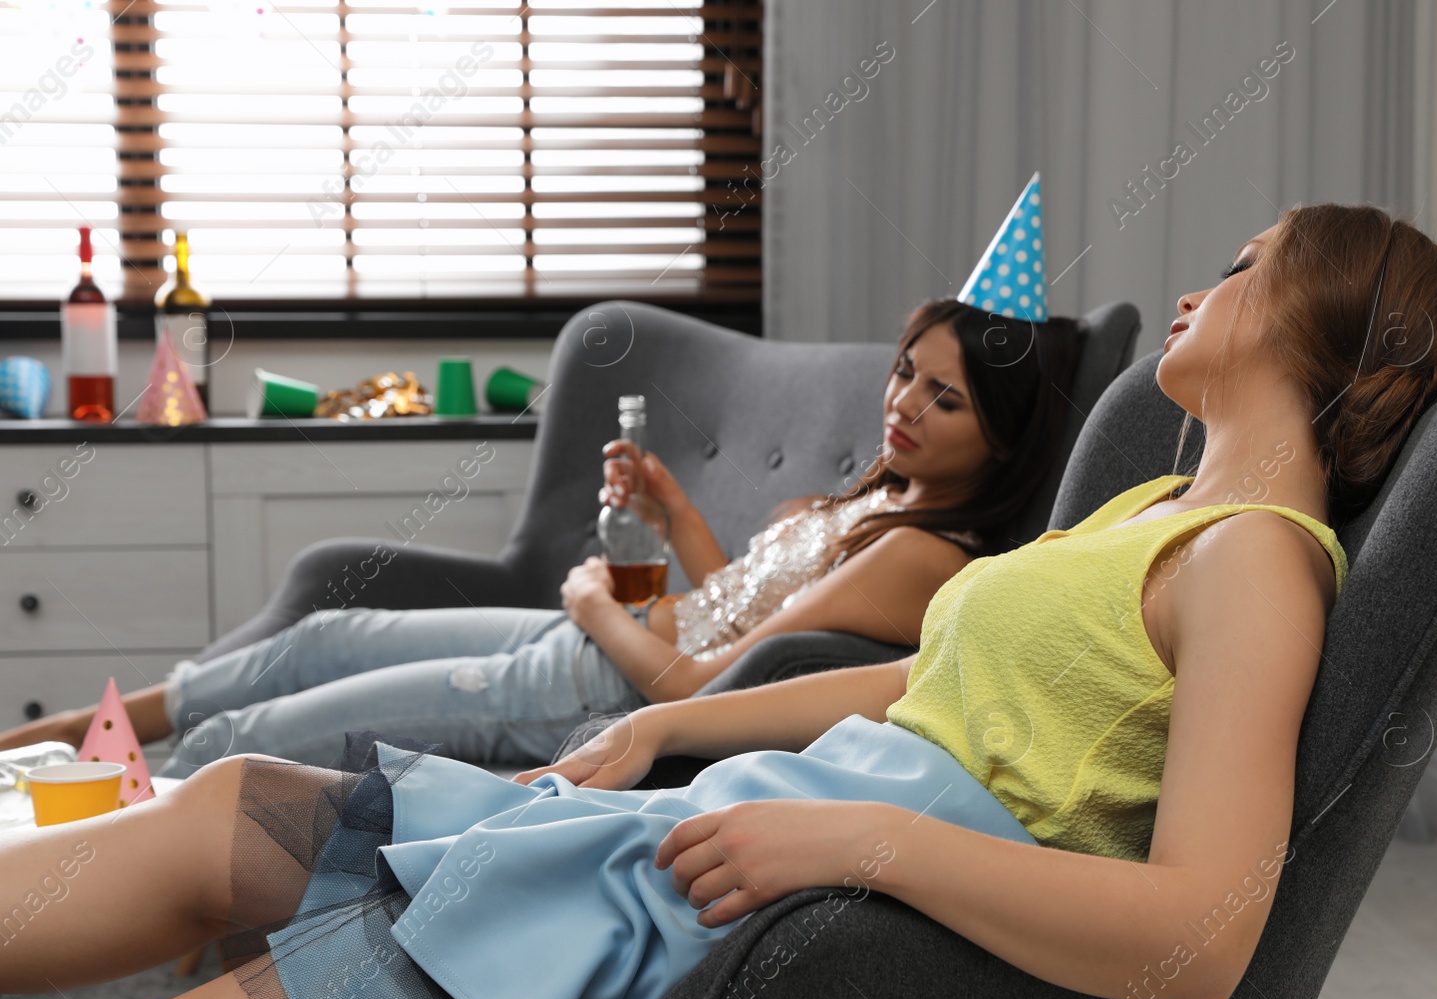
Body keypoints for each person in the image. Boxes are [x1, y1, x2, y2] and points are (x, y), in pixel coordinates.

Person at [0, 204, 1437, 999]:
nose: (1200, 284)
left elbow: (1206, 938)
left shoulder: (1256, 565)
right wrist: (665, 721)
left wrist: (853, 845)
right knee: (222, 802)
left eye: (1242, 263)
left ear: (1318, 323)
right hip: (722, 810)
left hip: (735, 888)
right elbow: (934, 678)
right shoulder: (1151, 508)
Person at [0, 297, 1084, 778]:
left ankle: (78, 826)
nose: (904, 402)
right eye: (908, 370)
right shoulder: (878, 501)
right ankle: (45, 739)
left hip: (593, 685)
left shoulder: (923, 556)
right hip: (586, 647)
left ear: (1002, 438)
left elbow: (703, 685)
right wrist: (675, 512)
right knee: (320, 636)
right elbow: (753, 609)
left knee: (270, 727)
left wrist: (593, 604)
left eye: (946, 400)